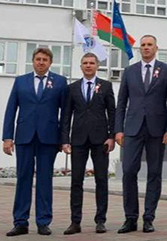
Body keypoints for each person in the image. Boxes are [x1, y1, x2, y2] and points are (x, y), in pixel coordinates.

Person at [2, 47, 69, 237]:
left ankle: (43, 222)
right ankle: (20, 222)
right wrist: (7, 137)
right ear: (33, 61)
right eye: (38, 59)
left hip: (48, 138)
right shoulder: (20, 81)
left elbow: (65, 114)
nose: (41, 62)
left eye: (45, 60)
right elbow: (11, 110)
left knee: (44, 180)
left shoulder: (60, 82)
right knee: (23, 178)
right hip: (24, 137)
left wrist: (64, 139)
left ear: (50, 63)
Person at [115, 34, 167, 234]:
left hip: (157, 129)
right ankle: (130, 218)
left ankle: (149, 218)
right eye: (143, 45)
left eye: (150, 45)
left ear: (156, 48)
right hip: (133, 129)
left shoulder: (166, 70)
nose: (146, 47)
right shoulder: (129, 71)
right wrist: (118, 129)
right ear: (139, 48)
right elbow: (121, 102)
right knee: (129, 171)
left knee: (154, 173)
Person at [61, 52, 116, 235]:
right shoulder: (72, 88)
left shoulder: (106, 86)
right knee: (76, 180)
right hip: (78, 140)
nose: (88, 65)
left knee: (101, 180)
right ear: (81, 66)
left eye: (92, 63)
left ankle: (100, 220)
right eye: (85, 63)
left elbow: (112, 113)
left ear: (97, 66)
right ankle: (75, 221)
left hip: (101, 140)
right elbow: (66, 115)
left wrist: (112, 136)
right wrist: (65, 140)